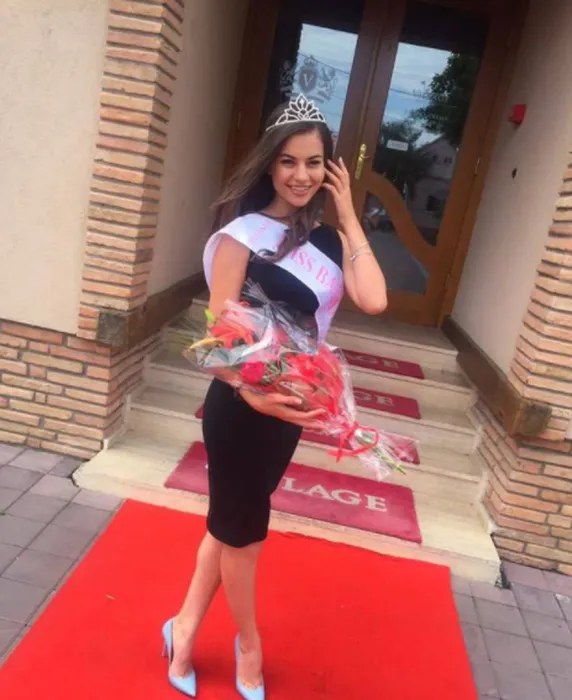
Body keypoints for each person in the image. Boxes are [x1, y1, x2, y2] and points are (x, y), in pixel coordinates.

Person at [161, 94, 388, 699]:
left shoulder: (331, 244)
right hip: (239, 408)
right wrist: (251, 392)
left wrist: (348, 215)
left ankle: (183, 628)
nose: (301, 175)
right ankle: (249, 645)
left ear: (329, 169)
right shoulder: (241, 236)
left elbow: (374, 300)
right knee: (245, 533)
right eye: (288, 161)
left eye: (314, 163)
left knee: (228, 524)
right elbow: (216, 342)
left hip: (288, 412)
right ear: (269, 164)